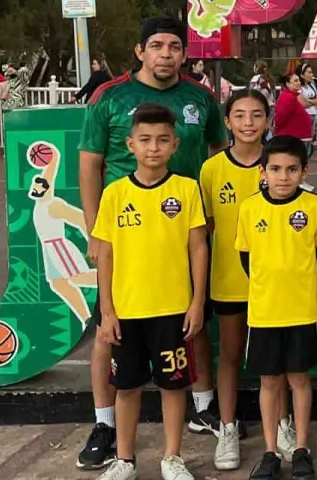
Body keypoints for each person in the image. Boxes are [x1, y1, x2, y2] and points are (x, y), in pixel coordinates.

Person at [77, 17, 227, 471]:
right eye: (157, 46)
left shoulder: (201, 98)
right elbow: (90, 166)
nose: (166, 53)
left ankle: (201, 410)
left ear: (184, 54)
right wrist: (93, 233)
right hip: (124, 233)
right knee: (111, 328)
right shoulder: (111, 97)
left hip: (184, 226)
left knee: (190, 321)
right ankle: (105, 426)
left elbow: (217, 157)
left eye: (175, 46)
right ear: (140, 51)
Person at [91, 104, 209, 480]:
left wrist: (196, 302)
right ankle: (125, 459)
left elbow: (198, 247)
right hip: (127, 310)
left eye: (162, 140)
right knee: (126, 387)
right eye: (144, 140)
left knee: (174, 387)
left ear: (175, 145)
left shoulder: (186, 190)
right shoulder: (114, 193)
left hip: (173, 309)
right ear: (130, 145)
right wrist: (107, 311)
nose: (153, 148)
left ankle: (172, 457)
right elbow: (105, 254)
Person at [237, 136, 317, 480]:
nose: (283, 176)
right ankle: (271, 451)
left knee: (300, 379)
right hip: (264, 312)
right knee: (269, 381)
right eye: (275, 169)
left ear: (304, 171)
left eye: (292, 169)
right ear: (263, 172)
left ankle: (301, 448)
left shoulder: (314, 207)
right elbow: (248, 259)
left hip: (302, 311)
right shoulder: (249, 209)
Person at [197, 90, 270, 470]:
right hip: (228, 280)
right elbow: (206, 228)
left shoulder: (277, 165)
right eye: (239, 115)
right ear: (227, 122)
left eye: (256, 115)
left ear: (267, 122)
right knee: (229, 355)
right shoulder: (211, 170)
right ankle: (227, 428)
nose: (248, 123)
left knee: (275, 361)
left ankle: (283, 426)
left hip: (273, 283)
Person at [273, 74, 313, 157]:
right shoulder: (287, 97)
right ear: (287, 84)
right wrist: (276, 129)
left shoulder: (293, 96)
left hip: (298, 137)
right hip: (292, 137)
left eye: (299, 80)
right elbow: (280, 116)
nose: (299, 83)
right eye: (295, 81)